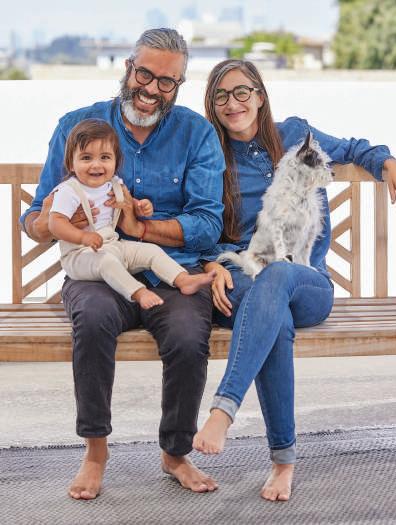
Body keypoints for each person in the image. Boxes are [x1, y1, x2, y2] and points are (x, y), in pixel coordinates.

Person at [192, 59, 396, 502]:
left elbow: (352, 149)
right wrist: (211, 264)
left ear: (259, 95)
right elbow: (200, 226)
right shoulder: (210, 156)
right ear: (212, 106)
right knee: (275, 319)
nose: (233, 103)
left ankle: (223, 410)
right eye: (221, 96)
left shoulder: (294, 135)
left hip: (308, 283)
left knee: (278, 277)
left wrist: (389, 163)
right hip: (246, 281)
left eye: (241, 91)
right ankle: (283, 461)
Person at [20, 29, 225, 499]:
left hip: (168, 269)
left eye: (167, 82)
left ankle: (175, 454)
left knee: (188, 336)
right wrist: (48, 222)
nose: (152, 89)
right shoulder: (77, 125)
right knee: (92, 320)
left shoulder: (196, 134)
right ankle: (96, 452)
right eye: (145, 74)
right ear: (128, 68)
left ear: (179, 85)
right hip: (94, 268)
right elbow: (33, 218)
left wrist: (142, 228)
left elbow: (208, 224)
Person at [49, 118, 216, 309]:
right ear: (71, 163)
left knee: (151, 251)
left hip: (112, 245)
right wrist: (82, 237)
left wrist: (139, 207)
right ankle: (139, 292)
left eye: (105, 157)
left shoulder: (113, 184)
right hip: (80, 255)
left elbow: (126, 202)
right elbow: (55, 222)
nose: (96, 165)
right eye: (86, 158)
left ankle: (183, 279)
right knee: (107, 262)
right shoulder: (69, 191)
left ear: (116, 162)